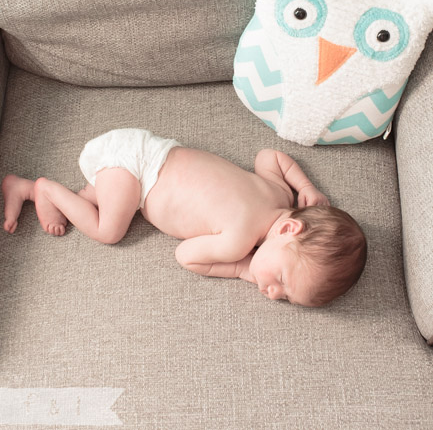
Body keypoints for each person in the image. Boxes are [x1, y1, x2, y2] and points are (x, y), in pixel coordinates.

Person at [1, 128, 367, 307]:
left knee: (92, 203)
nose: (273, 294)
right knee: (108, 229)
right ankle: (46, 189)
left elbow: (268, 156)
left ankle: (24, 190)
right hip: (136, 170)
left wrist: (307, 187)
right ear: (289, 229)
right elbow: (185, 256)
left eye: (284, 297)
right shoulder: (238, 241)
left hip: (145, 149)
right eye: (284, 281)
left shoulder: (280, 194)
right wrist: (240, 268)